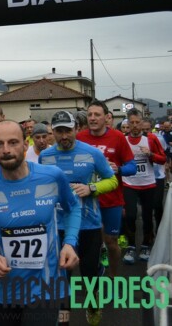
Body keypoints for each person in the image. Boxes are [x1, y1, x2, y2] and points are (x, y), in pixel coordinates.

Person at [0, 120, 81, 326]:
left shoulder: (51, 176)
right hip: (6, 287)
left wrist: (70, 243)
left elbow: (73, 207)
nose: (6, 150)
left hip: (46, 285)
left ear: (25, 144)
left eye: (13, 142)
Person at [39, 111, 117, 325]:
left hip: (88, 224)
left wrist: (91, 188)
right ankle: (63, 317)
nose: (64, 136)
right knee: (62, 275)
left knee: (89, 273)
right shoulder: (45, 156)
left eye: (68, 130)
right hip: (58, 226)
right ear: (52, 132)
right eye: (59, 131)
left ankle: (93, 304)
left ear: (76, 129)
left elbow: (112, 180)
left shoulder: (92, 153)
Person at [77, 100, 136, 279]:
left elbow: (132, 167)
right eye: (90, 115)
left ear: (106, 117)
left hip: (112, 200)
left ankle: (114, 275)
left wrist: (119, 169)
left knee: (111, 242)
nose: (93, 118)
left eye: (97, 114)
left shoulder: (117, 137)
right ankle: (94, 276)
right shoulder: (80, 138)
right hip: (87, 199)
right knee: (90, 242)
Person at [121, 109, 166, 264]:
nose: (135, 125)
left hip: (148, 183)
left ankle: (146, 245)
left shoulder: (151, 139)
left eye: (137, 122)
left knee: (147, 216)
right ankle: (131, 246)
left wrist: (150, 154)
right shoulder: (123, 140)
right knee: (130, 215)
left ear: (142, 123)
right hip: (129, 183)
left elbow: (163, 159)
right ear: (128, 123)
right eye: (131, 122)